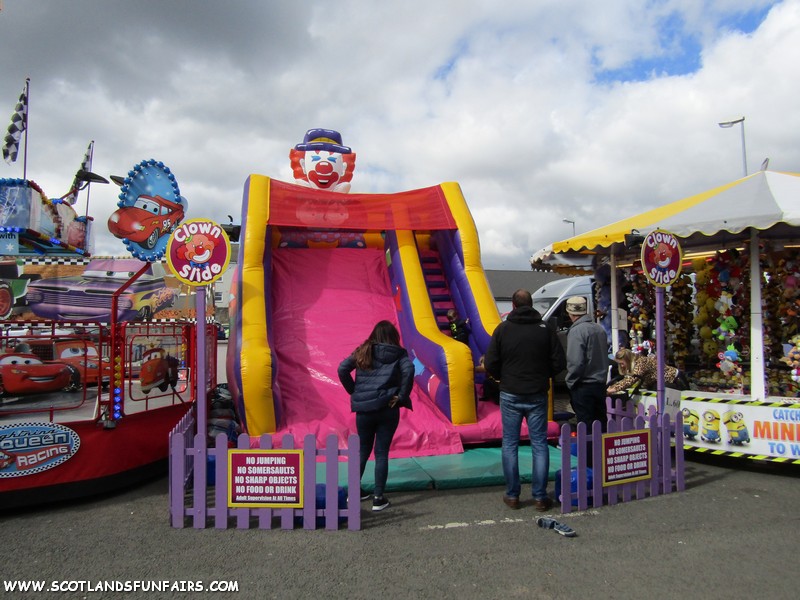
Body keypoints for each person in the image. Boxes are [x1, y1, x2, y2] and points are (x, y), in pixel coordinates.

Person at [484, 289, 566, 511]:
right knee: (539, 444)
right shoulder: (545, 330)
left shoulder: (503, 330)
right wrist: (543, 374)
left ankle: (512, 495)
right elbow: (559, 362)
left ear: (512, 305)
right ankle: (540, 496)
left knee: (510, 444)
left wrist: (502, 377)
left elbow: (490, 362)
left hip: (510, 391)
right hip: (537, 392)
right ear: (532, 305)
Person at [337, 320, 414, 512]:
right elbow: (409, 371)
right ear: (393, 337)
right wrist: (402, 396)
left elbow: (342, 369)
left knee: (362, 450)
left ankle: (354, 492)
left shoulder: (364, 350)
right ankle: (378, 498)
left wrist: (354, 391)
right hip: (388, 407)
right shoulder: (399, 353)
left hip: (364, 410)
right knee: (381, 453)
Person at [565, 296, 610, 432]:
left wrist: (570, 382)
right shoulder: (599, 329)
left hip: (583, 384)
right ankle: (601, 452)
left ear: (570, 312)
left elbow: (576, 362)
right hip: (600, 383)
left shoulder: (576, 331)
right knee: (601, 425)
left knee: (586, 427)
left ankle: (589, 453)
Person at [607, 348, 688, 395]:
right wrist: (613, 386)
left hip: (676, 380)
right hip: (663, 382)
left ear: (628, 360)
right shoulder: (637, 362)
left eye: (622, 363)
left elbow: (632, 379)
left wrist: (614, 388)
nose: (621, 366)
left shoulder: (641, 362)